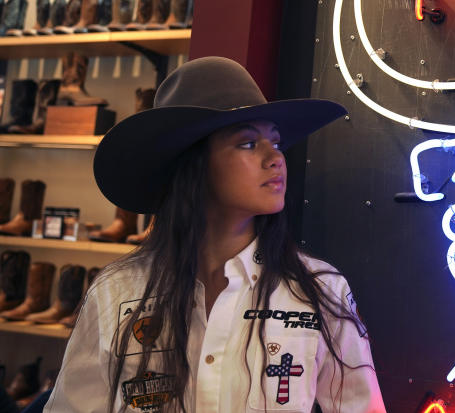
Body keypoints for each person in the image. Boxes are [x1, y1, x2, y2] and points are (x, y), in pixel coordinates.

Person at [44, 57, 385, 412]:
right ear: (195, 165)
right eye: (249, 144)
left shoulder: (319, 290)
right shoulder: (116, 291)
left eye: (276, 142)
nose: (276, 158)